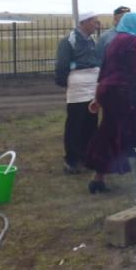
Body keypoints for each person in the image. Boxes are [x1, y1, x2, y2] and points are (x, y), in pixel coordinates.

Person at [85, 13, 136, 193]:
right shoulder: (132, 40)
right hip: (119, 92)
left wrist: (97, 97)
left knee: (111, 133)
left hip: (107, 90)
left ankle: (98, 180)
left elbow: (104, 69)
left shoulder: (115, 40)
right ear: (135, 24)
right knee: (134, 132)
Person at [54, 11, 101, 175]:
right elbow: (62, 65)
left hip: (92, 87)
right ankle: (72, 160)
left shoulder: (91, 40)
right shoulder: (69, 40)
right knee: (76, 123)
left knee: (90, 122)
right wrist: (65, 83)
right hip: (78, 87)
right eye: (94, 22)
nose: (97, 25)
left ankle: (88, 156)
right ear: (84, 22)